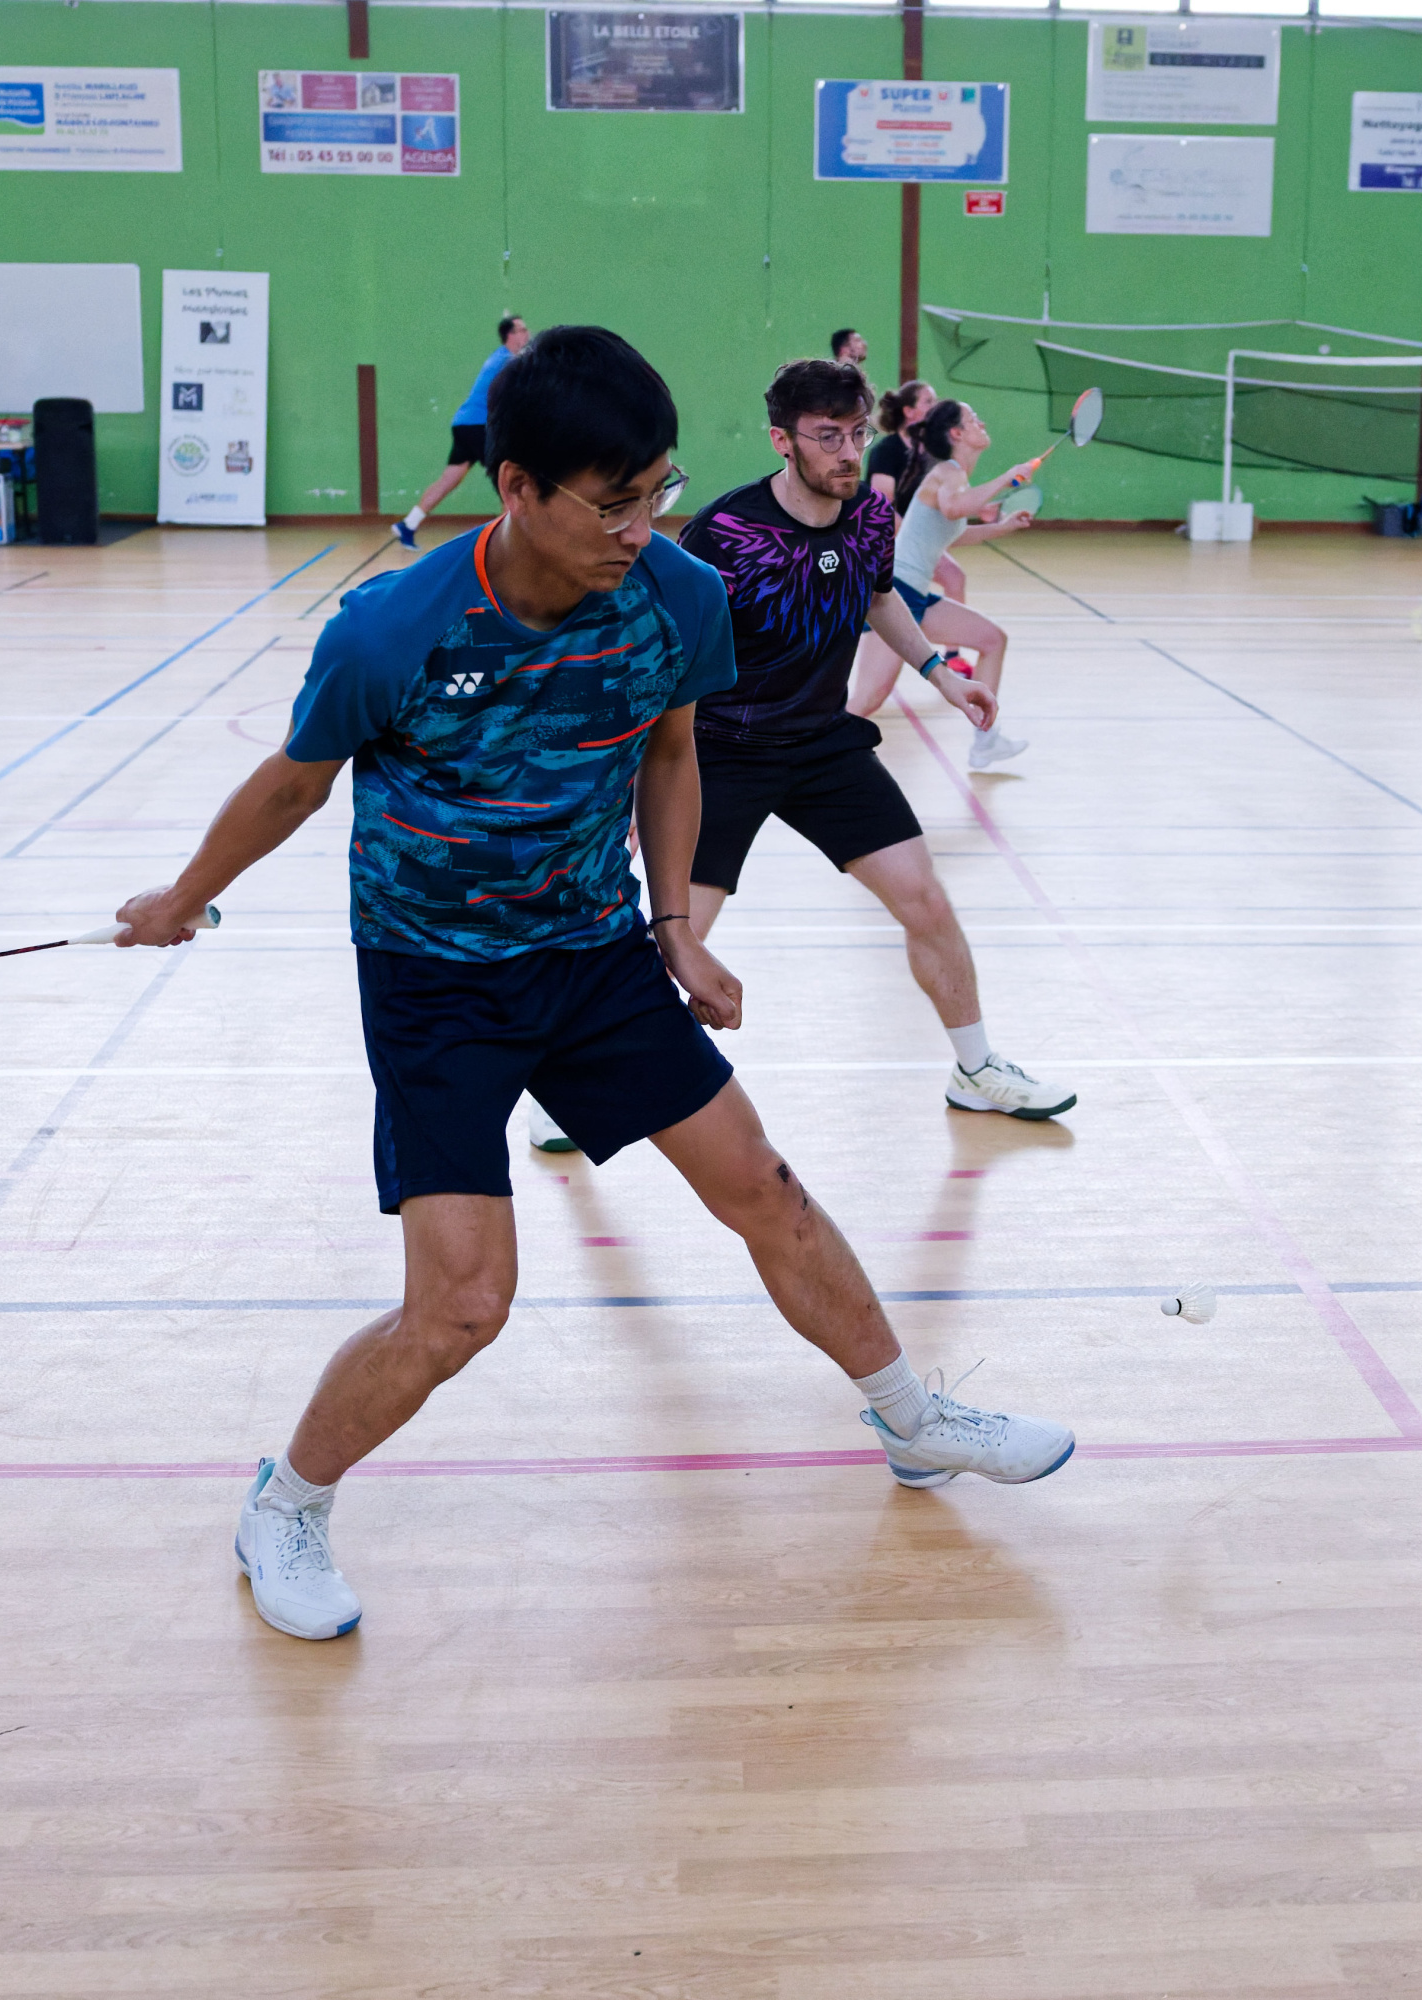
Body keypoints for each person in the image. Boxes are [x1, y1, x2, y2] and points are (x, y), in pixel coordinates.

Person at [113, 325, 1075, 1642]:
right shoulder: (393, 626)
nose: (639, 528)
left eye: (656, 491)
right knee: (461, 1306)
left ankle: (912, 1421)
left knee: (764, 1189)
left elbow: (671, 749)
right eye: (612, 502)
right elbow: (294, 782)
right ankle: (285, 1502)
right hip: (436, 981)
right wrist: (180, 896)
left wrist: (675, 927)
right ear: (515, 486)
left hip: (594, 954)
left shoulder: (676, 596)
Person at [676, 356, 1075, 1124]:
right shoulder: (723, 532)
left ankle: (975, 1069)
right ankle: (582, 1088)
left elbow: (879, 596)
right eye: (826, 436)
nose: (847, 452)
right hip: (723, 748)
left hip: (821, 743)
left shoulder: (864, 514)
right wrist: (642, 769)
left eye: (857, 434)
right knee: (680, 934)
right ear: (781, 440)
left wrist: (940, 674)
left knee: (924, 900)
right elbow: (667, 650)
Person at [849, 398, 1037, 772]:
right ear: (956, 433)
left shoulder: (954, 478)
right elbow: (954, 508)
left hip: (915, 595)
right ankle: (801, 756)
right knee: (866, 700)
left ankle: (985, 742)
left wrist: (1001, 528)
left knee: (992, 640)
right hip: (893, 593)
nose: (981, 423)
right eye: (973, 419)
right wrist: (1008, 477)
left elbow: (951, 532)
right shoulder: (947, 473)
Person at [391, 316, 530, 549]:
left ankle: (408, 524)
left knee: (449, 479)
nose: (528, 333)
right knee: (508, 479)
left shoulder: (500, 357)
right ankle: (509, 544)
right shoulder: (507, 361)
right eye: (522, 330)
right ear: (511, 335)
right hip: (478, 426)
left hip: (463, 424)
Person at [867, 381, 972, 604]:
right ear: (909, 411)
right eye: (928, 401)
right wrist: (914, 539)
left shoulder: (932, 454)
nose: (934, 406)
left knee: (954, 578)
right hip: (881, 540)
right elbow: (882, 509)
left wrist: (981, 508)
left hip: (911, 539)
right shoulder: (886, 451)